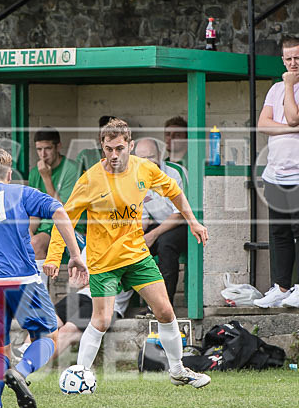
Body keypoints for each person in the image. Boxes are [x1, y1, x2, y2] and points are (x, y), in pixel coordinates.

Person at [43, 118, 211, 388]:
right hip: (104, 260)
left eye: (120, 148)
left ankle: (178, 370)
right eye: (109, 149)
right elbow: (65, 219)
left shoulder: (145, 169)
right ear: (102, 146)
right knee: (101, 318)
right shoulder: (90, 180)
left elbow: (175, 191)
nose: (114, 155)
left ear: (130, 146)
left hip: (136, 256)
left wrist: (193, 221)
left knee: (166, 312)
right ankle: (79, 376)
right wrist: (53, 257)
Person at [0, 147, 88, 408]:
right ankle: (22, 370)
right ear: (9, 174)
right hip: (22, 278)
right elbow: (59, 212)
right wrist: (75, 255)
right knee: (48, 336)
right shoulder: (21, 192)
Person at [254, 36, 299, 309]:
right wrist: (291, 129)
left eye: (297, 57)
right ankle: (281, 287)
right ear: (282, 60)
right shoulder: (274, 89)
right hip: (276, 172)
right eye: (287, 59)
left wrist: (288, 86)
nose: (292, 63)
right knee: (279, 232)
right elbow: (263, 124)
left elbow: (295, 114)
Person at [134, 136, 188, 305]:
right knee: (132, 247)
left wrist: (153, 236)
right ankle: (141, 303)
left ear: (160, 154)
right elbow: (142, 219)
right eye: (142, 158)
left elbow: (179, 214)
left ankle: (165, 306)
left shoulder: (174, 172)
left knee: (165, 244)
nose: (147, 162)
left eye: (151, 156)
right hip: (159, 224)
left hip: (184, 225)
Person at [28, 127, 83, 282]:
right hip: (45, 228)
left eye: (47, 149)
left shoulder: (71, 169)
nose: (43, 155)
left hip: (70, 227)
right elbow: (34, 213)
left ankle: (39, 300)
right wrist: (27, 233)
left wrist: (47, 178)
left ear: (58, 147)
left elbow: (63, 211)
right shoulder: (34, 173)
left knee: (36, 243)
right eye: (39, 149)